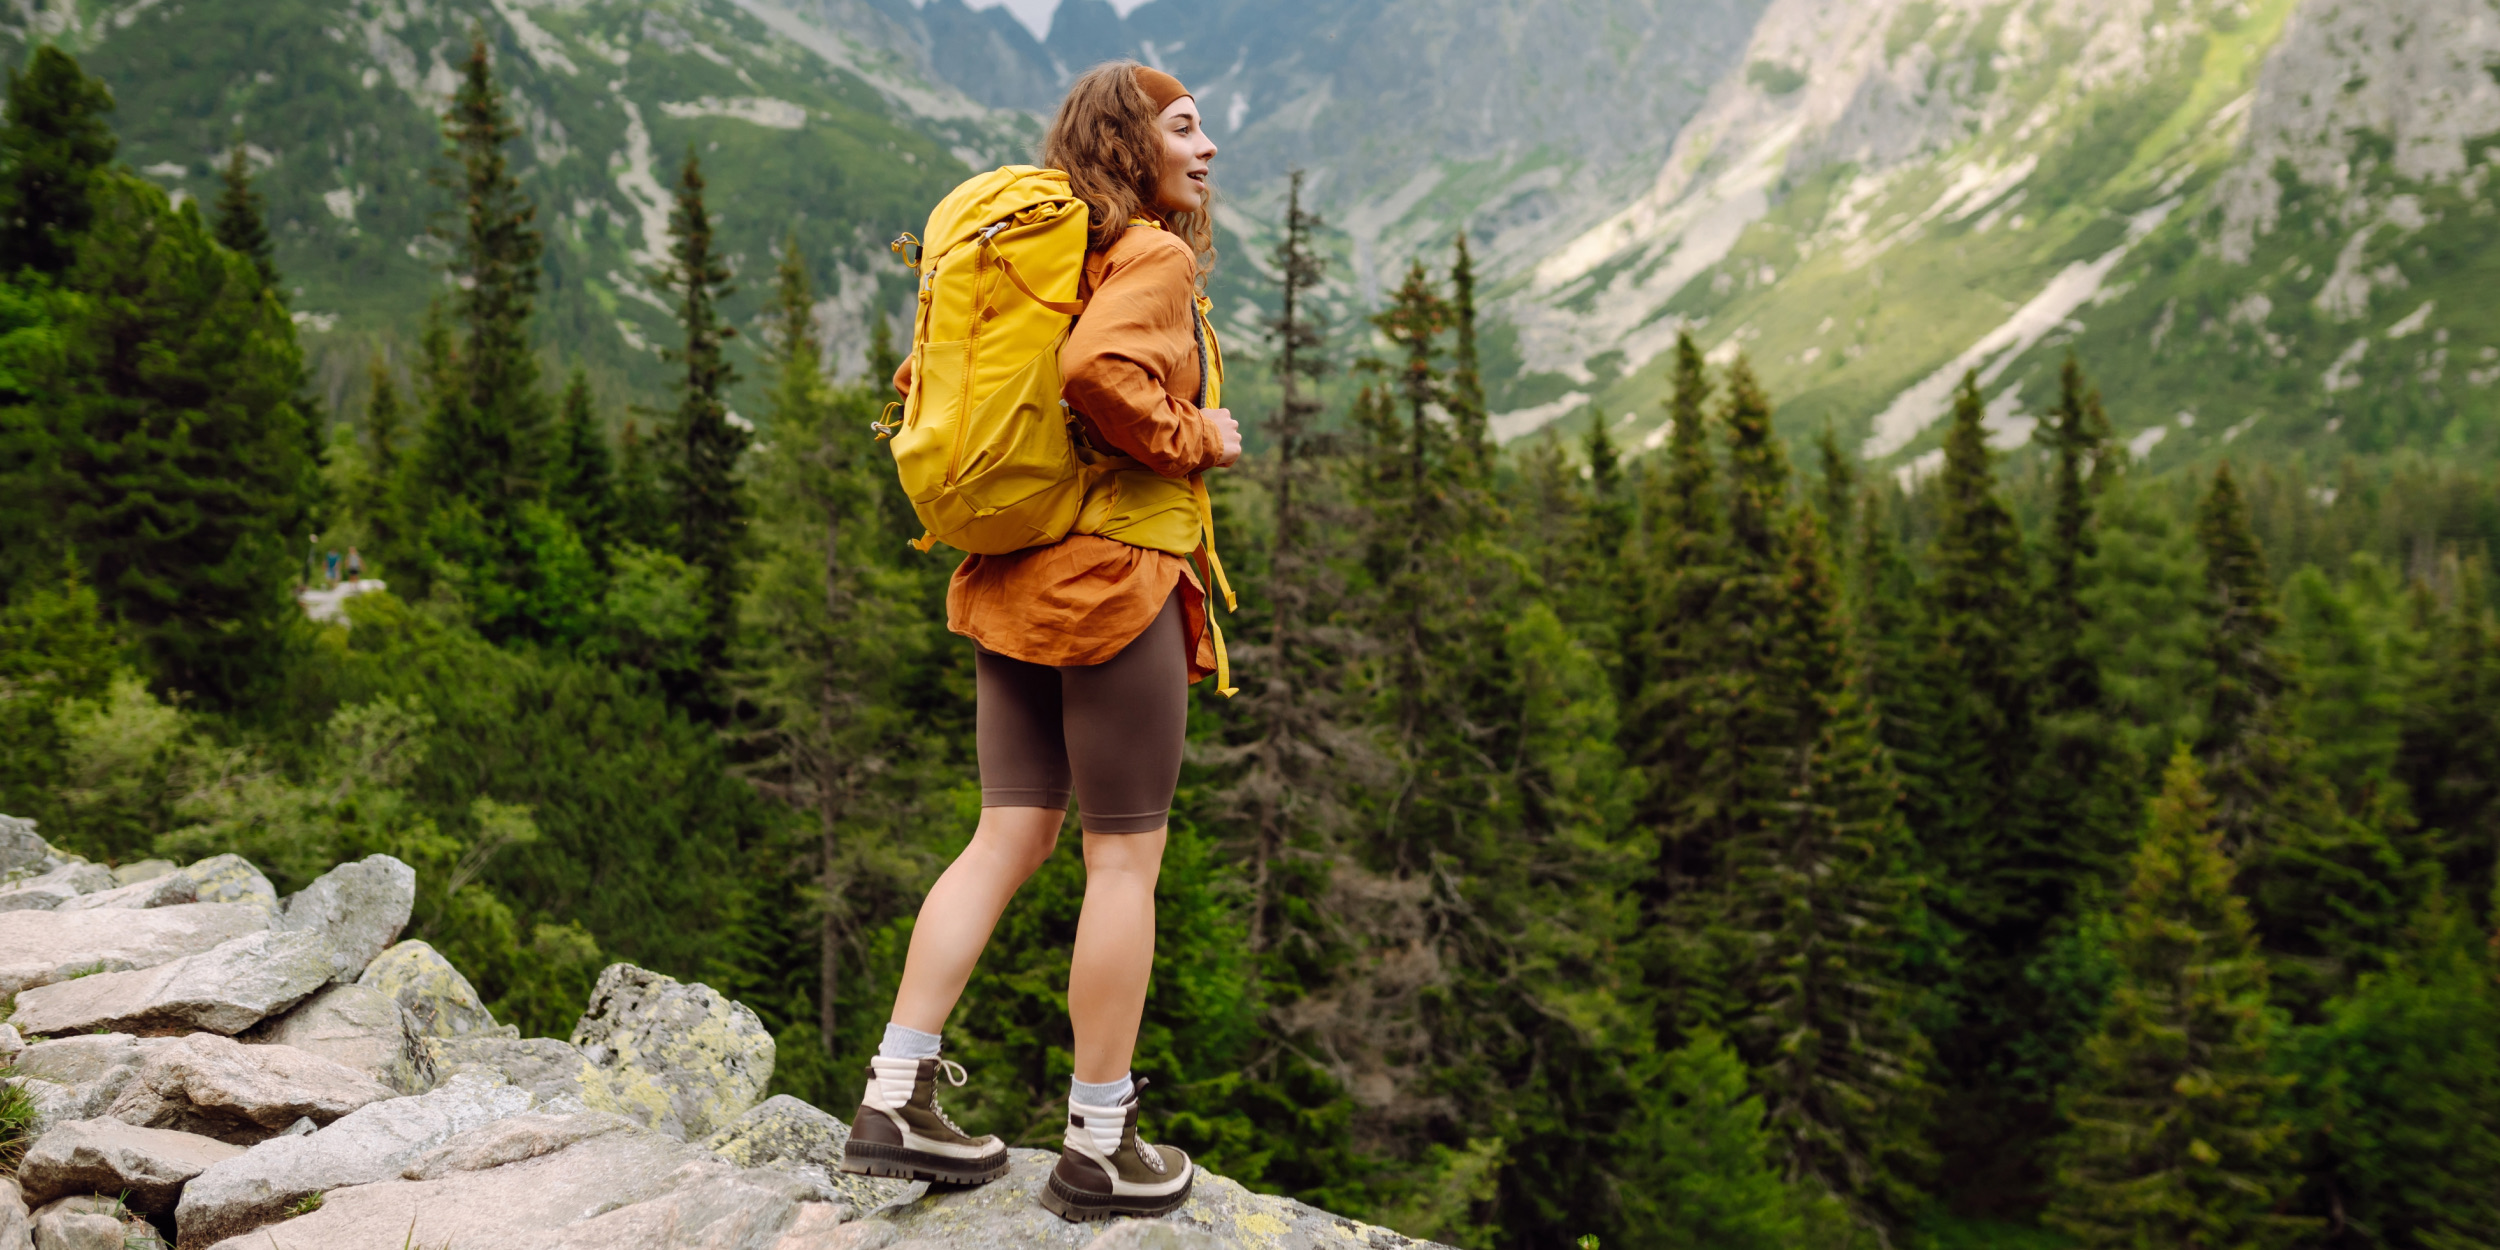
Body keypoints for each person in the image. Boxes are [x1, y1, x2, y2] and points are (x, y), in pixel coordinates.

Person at [839, 60, 1238, 1223]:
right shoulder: (1148, 256)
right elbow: (1094, 372)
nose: (1206, 146)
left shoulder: (1039, 257)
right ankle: (1100, 1142)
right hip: (1114, 582)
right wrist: (1194, 435)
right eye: (1183, 126)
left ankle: (894, 1091)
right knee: (1122, 861)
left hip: (1013, 577)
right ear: (1133, 142)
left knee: (1005, 832)